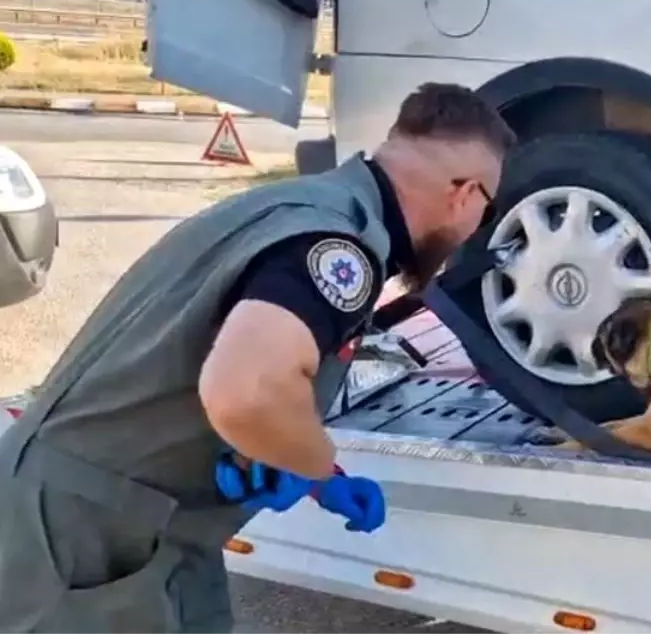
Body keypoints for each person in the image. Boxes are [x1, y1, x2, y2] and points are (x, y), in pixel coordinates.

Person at [0, 83, 515, 633]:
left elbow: (211, 363)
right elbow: (246, 392)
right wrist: (309, 462)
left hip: (116, 519)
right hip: (80, 538)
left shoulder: (295, 206)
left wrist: (306, 469)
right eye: (484, 214)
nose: (471, 233)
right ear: (465, 194)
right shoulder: (340, 248)